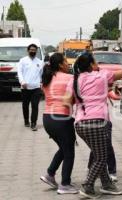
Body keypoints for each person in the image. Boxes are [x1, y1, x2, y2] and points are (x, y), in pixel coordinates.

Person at [63, 50, 122, 199]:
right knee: (101, 157)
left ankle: (107, 185)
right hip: (97, 123)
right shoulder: (102, 75)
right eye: (95, 62)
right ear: (90, 65)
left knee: (97, 153)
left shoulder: (73, 80)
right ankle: (88, 186)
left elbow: (66, 102)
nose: (97, 64)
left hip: (80, 125)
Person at [40, 53, 78, 194]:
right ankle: (65, 185)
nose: (68, 64)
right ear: (61, 64)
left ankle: (50, 174)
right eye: (66, 62)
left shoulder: (47, 78)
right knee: (69, 152)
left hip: (48, 119)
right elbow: (72, 98)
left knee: (63, 148)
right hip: (61, 119)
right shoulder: (70, 78)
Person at [17, 44, 43, 131]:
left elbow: (41, 75)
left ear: (36, 51)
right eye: (31, 50)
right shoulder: (22, 61)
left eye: (34, 50)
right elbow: (19, 72)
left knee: (35, 106)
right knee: (25, 105)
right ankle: (26, 120)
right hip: (25, 87)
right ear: (28, 50)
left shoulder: (39, 62)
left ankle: (33, 123)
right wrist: (22, 82)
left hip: (36, 87)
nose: (33, 51)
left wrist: (41, 83)